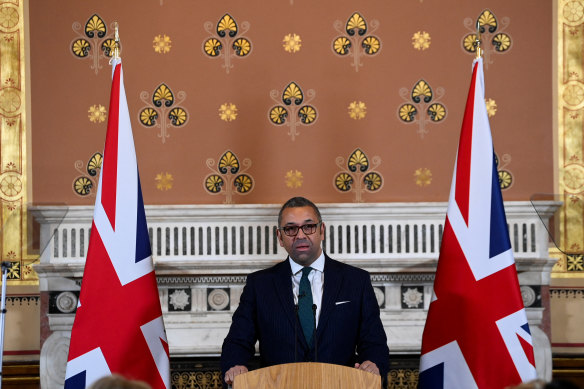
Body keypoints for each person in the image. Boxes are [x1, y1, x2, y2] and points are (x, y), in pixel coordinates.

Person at [221, 196, 389, 385]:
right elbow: (237, 341)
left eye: (308, 226)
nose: (300, 235)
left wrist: (373, 364)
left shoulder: (356, 281)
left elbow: (374, 343)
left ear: (322, 230)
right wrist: (235, 365)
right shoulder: (259, 285)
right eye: (291, 229)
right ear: (280, 237)